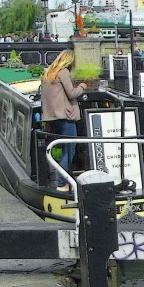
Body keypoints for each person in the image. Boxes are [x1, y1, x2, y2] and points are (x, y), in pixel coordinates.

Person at [40, 50, 87, 191]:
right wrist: (82, 87)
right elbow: (72, 93)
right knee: (69, 151)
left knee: (62, 149)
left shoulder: (48, 73)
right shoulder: (63, 72)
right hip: (65, 117)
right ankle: (62, 183)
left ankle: (60, 179)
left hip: (52, 118)